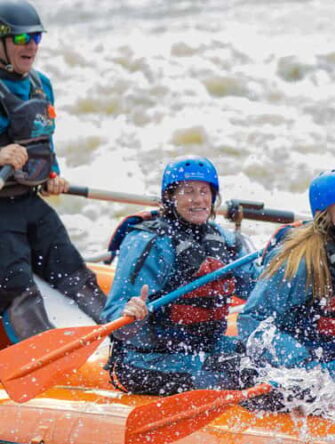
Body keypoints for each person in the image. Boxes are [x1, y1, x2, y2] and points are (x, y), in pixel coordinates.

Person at [101, 156, 257, 395]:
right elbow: (114, 318)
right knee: (235, 375)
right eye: (187, 191)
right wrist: (132, 314)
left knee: (267, 362)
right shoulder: (149, 242)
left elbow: (258, 292)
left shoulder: (226, 241)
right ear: (170, 198)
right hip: (150, 359)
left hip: (207, 347)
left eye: (204, 191)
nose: (198, 199)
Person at [239, 168, 335, 409]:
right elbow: (251, 320)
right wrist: (302, 364)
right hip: (303, 368)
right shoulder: (300, 260)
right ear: (324, 212)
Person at [0, 0, 105, 346]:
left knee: (72, 270)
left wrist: (53, 174)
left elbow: (44, 141)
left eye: (36, 37)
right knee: (16, 284)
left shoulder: (41, 84)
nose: (30, 45)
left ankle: (125, 339)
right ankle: (39, 357)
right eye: (20, 39)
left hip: (28, 201)